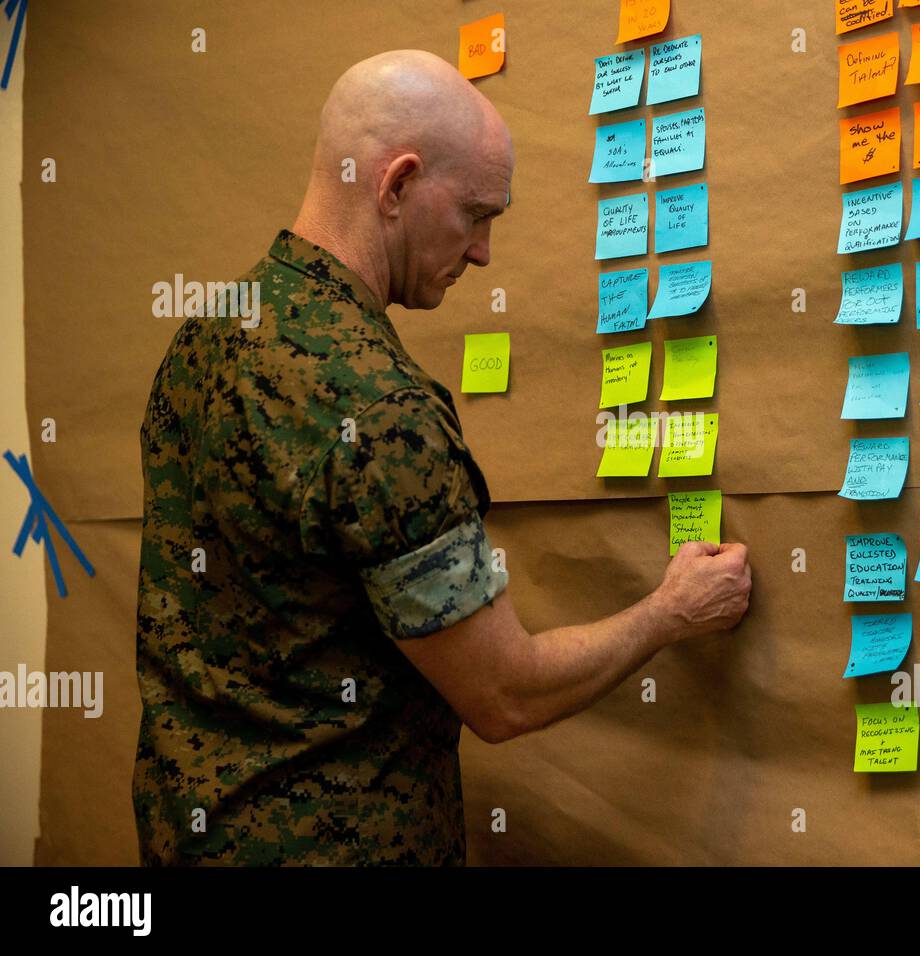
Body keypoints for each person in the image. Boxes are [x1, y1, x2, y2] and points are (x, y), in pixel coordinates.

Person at [132, 49, 751, 866]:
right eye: (476, 214)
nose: (485, 252)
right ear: (396, 185)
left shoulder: (204, 341)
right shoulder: (379, 408)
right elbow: (504, 693)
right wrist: (669, 612)